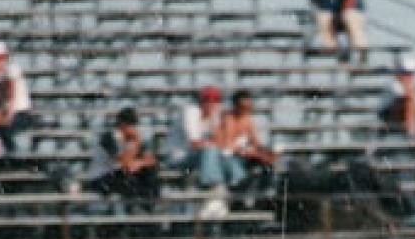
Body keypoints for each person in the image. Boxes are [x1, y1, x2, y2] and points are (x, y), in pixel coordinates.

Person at [83, 107, 161, 209]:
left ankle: (151, 206)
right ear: (122, 124)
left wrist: (140, 163)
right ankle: (143, 207)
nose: (133, 128)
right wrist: (135, 143)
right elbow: (124, 162)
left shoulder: (133, 137)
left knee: (150, 170)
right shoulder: (109, 137)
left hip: (119, 175)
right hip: (101, 178)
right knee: (131, 183)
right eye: (131, 125)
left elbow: (152, 160)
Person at [169, 86, 230, 215]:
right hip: (181, 158)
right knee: (210, 151)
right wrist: (215, 143)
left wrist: (216, 125)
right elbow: (195, 143)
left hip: (201, 158)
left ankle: (236, 187)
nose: (211, 103)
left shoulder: (215, 114)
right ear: (201, 101)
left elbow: (223, 142)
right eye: (207, 99)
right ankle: (210, 187)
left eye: (215, 100)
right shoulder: (191, 112)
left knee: (227, 156)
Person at [220, 90, 280, 195]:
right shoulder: (228, 119)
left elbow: (255, 142)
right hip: (228, 158)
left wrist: (265, 153)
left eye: (249, 107)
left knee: (268, 161)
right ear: (235, 106)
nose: (246, 110)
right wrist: (248, 152)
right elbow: (227, 146)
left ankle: (266, 190)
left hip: (242, 155)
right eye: (243, 107)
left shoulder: (247, 120)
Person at [311, 0, 369, 64]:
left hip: (352, 10)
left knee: (350, 17)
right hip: (331, 10)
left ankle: (361, 51)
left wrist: (340, 14)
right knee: (323, 16)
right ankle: (331, 47)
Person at [380, 56, 415, 138]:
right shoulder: (392, 83)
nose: (410, 75)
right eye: (407, 73)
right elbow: (406, 97)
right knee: (409, 101)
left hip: (405, 110)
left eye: (412, 73)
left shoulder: (414, 83)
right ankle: (411, 131)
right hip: (387, 113)